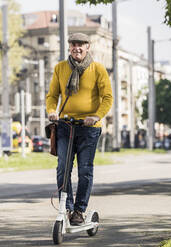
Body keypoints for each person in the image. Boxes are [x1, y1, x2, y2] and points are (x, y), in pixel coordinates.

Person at [46, 33, 113, 226]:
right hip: (65, 126)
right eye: (73, 44)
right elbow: (52, 96)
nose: (77, 48)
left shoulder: (97, 69)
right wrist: (52, 111)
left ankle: (79, 210)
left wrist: (96, 116)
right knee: (62, 169)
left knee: (84, 170)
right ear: (69, 47)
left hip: (89, 128)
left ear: (88, 47)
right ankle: (66, 208)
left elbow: (107, 97)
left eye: (81, 45)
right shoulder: (60, 68)